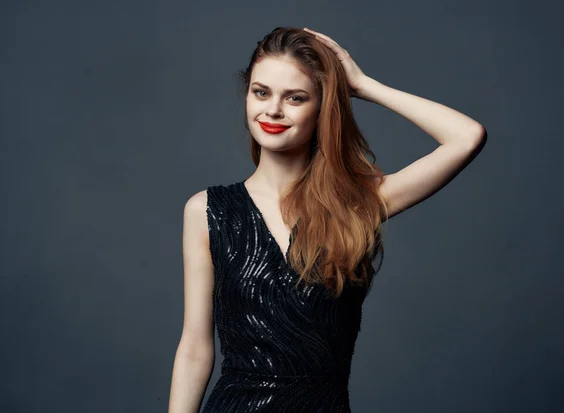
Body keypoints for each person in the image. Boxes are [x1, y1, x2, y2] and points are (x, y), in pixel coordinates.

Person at [168, 26, 486, 413]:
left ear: (323, 106)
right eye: (261, 92)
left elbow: (466, 137)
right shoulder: (206, 211)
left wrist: (363, 85)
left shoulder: (358, 204)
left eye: (296, 98)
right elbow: (195, 347)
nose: (273, 110)